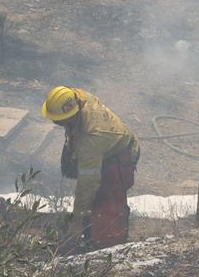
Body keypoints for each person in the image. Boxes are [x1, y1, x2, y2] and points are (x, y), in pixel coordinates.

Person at [41, 86, 140, 250]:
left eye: (58, 120)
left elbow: (88, 182)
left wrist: (77, 219)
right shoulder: (77, 96)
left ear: (70, 115)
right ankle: (91, 232)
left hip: (120, 156)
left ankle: (108, 249)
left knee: (108, 204)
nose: (55, 123)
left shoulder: (91, 137)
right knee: (94, 200)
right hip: (104, 148)